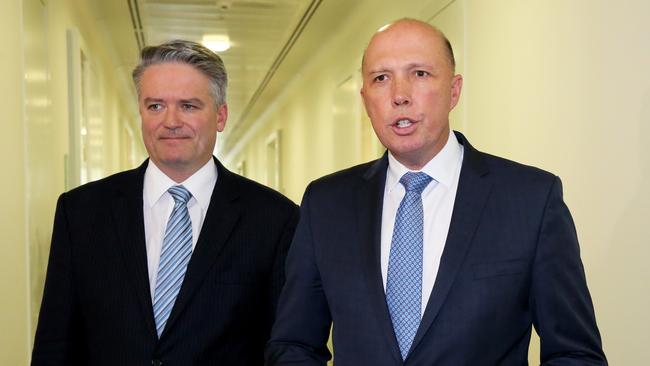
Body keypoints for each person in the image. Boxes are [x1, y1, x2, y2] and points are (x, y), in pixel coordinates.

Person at [265, 19, 606, 365]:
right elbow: (294, 345)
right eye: (381, 78)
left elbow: (575, 354)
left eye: (420, 74)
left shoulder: (530, 201)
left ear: (454, 91)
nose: (400, 95)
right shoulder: (326, 204)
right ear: (366, 99)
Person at [32, 40, 299, 365]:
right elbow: (55, 343)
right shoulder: (81, 213)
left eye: (188, 105)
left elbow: (288, 347)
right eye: (155, 106)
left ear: (221, 116)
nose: (170, 121)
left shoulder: (275, 219)